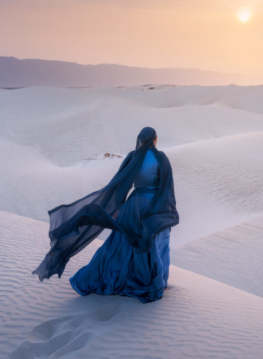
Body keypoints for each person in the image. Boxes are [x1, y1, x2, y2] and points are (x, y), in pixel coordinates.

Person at [33, 127, 179, 303]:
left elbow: (121, 185)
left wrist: (118, 208)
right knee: (154, 243)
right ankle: (152, 282)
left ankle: (106, 278)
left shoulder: (133, 157)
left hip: (133, 206)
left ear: (140, 140)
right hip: (154, 207)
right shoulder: (161, 158)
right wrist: (165, 210)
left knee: (119, 247)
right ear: (155, 139)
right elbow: (167, 187)